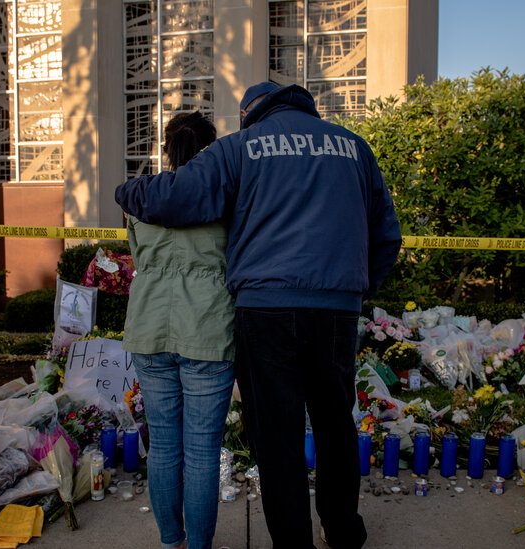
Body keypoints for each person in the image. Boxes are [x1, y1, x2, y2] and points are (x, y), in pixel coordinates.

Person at [116, 82, 402, 549]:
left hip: (266, 308)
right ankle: (343, 531)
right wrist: (355, 288)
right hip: (336, 310)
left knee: (277, 433)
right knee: (335, 424)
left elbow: (175, 196)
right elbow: (387, 234)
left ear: (251, 111)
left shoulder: (243, 146)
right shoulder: (354, 147)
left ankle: (292, 543)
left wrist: (126, 189)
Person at [122, 111, 235, 549]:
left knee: (165, 448)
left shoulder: (143, 196)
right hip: (207, 327)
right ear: (211, 149)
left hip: (149, 324)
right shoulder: (224, 197)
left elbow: (138, 256)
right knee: (202, 453)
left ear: (166, 148)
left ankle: (172, 541)